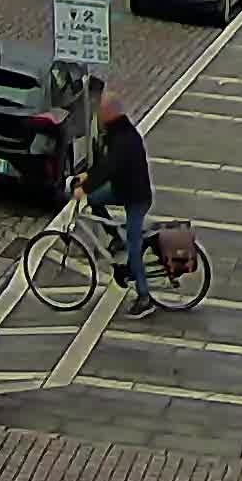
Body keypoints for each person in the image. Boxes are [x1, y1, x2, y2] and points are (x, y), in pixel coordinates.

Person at [85, 90, 159, 317]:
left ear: (110, 113)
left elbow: (110, 168)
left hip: (136, 198)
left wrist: (85, 186)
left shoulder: (124, 139)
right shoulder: (116, 132)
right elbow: (104, 164)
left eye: (101, 110)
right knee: (94, 200)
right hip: (122, 189)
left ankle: (145, 298)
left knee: (135, 250)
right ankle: (116, 237)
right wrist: (86, 179)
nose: (98, 113)